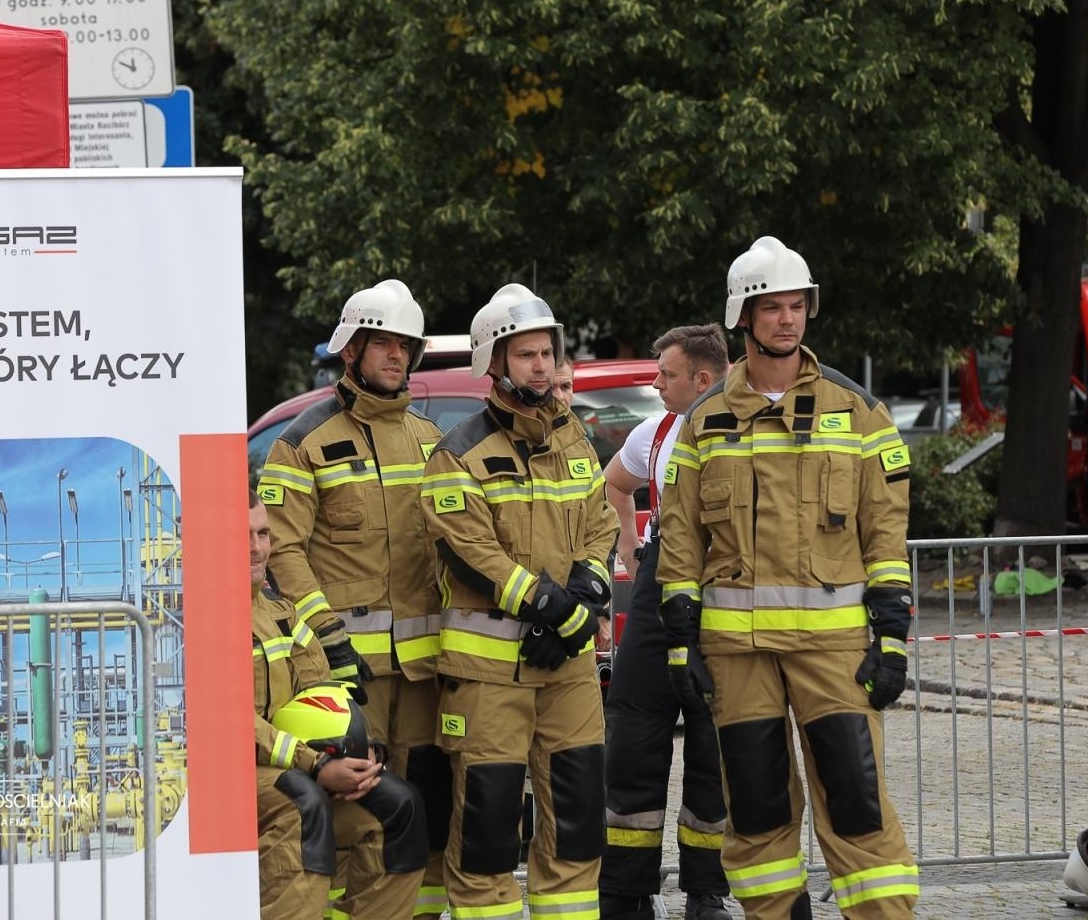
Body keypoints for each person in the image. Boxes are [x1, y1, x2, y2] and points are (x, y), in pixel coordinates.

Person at [657, 237, 919, 919]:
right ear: (743, 316)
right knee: (758, 815)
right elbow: (681, 535)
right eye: (771, 307)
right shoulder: (703, 421)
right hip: (738, 657)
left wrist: (892, 637)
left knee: (858, 806)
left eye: (797, 306)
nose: (787, 320)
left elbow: (885, 534)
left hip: (833, 655)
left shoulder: (858, 412)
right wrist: (679, 640)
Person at [421, 282, 620, 920]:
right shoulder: (458, 456)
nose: (542, 366)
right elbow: (473, 552)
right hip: (489, 679)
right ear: (494, 362)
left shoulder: (575, 442)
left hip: (570, 672)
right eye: (526, 355)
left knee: (578, 822)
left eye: (546, 354)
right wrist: (553, 610)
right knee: (486, 837)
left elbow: (601, 523)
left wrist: (586, 592)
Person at [258, 279, 451, 917]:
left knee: (420, 799)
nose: (397, 356)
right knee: (351, 806)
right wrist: (329, 641)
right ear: (352, 350)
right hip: (342, 677)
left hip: (424, 667)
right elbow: (283, 553)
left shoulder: (428, 439)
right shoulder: (301, 441)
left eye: (406, 346)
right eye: (384, 344)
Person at [601, 325, 733, 920]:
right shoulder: (654, 433)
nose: (654, 385)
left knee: (714, 743)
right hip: (659, 586)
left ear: (703, 379)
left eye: (665, 375)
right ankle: (628, 892)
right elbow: (615, 483)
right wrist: (629, 543)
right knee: (633, 737)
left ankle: (706, 891)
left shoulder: (740, 426)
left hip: (720, 586)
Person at [249, 489, 427, 918]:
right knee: (302, 800)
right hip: (227, 775)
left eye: (263, 534)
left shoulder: (281, 612)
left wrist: (352, 751)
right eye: (240, 537)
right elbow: (224, 721)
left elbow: (321, 687)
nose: (256, 548)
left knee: (400, 804)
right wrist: (315, 765)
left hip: (295, 764)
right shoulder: (190, 616)